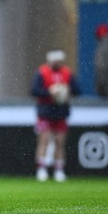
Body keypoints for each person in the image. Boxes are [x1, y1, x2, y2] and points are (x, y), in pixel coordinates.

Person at [31, 49, 80, 182]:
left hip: (60, 112)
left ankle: (59, 170)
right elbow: (34, 90)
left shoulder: (66, 73)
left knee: (60, 141)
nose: (57, 63)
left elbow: (77, 90)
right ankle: (41, 169)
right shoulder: (42, 72)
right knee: (44, 140)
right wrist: (50, 92)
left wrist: (66, 90)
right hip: (45, 112)